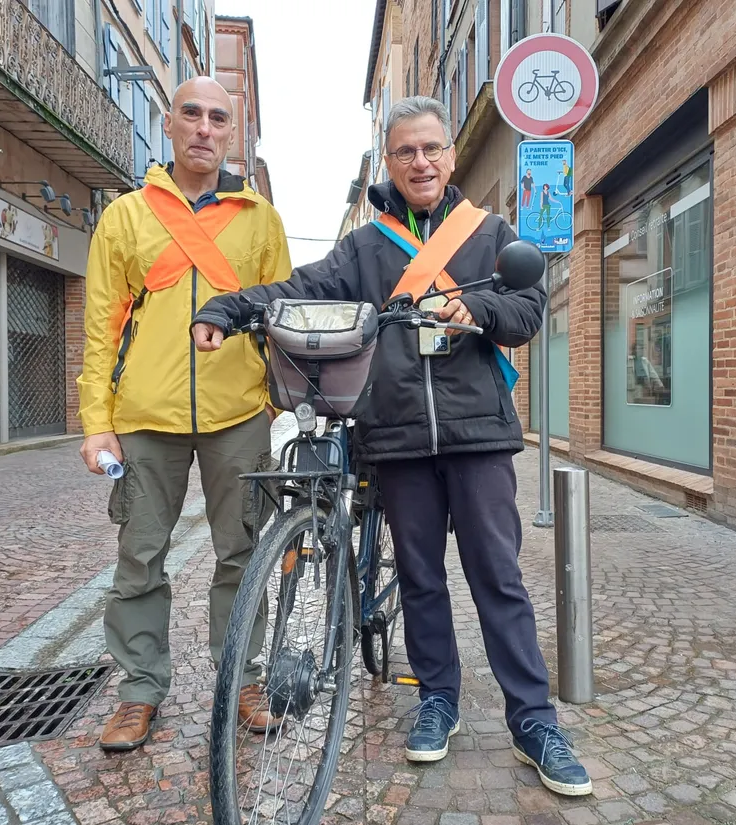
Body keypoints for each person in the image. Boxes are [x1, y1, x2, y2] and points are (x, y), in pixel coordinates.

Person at [191, 95, 593, 798]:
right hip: (398, 436)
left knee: (498, 577)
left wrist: (481, 309)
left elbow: (528, 310)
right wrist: (229, 306)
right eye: (406, 151)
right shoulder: (366, 247)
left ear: (451, 155)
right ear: (390, 162)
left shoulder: (489, 230)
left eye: (431, 148)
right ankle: (437, 699)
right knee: (420, 579)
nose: (421, 162)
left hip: (476, 434)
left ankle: (534, 721)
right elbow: (302, 286)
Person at [76, 76, 293, 752]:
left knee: (243, 553)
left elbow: (279, 311)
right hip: (144, 414)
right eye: (191, 113)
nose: (203, 127)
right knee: (139, 557)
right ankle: (140, 689)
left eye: (217, 118)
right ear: (168, 123)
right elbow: (99, 328)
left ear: (232, 133)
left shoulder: (259, 219)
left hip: (238, 414)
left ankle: (243, 680)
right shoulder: (126, 216)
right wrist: (96, 421)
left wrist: (281, 398)